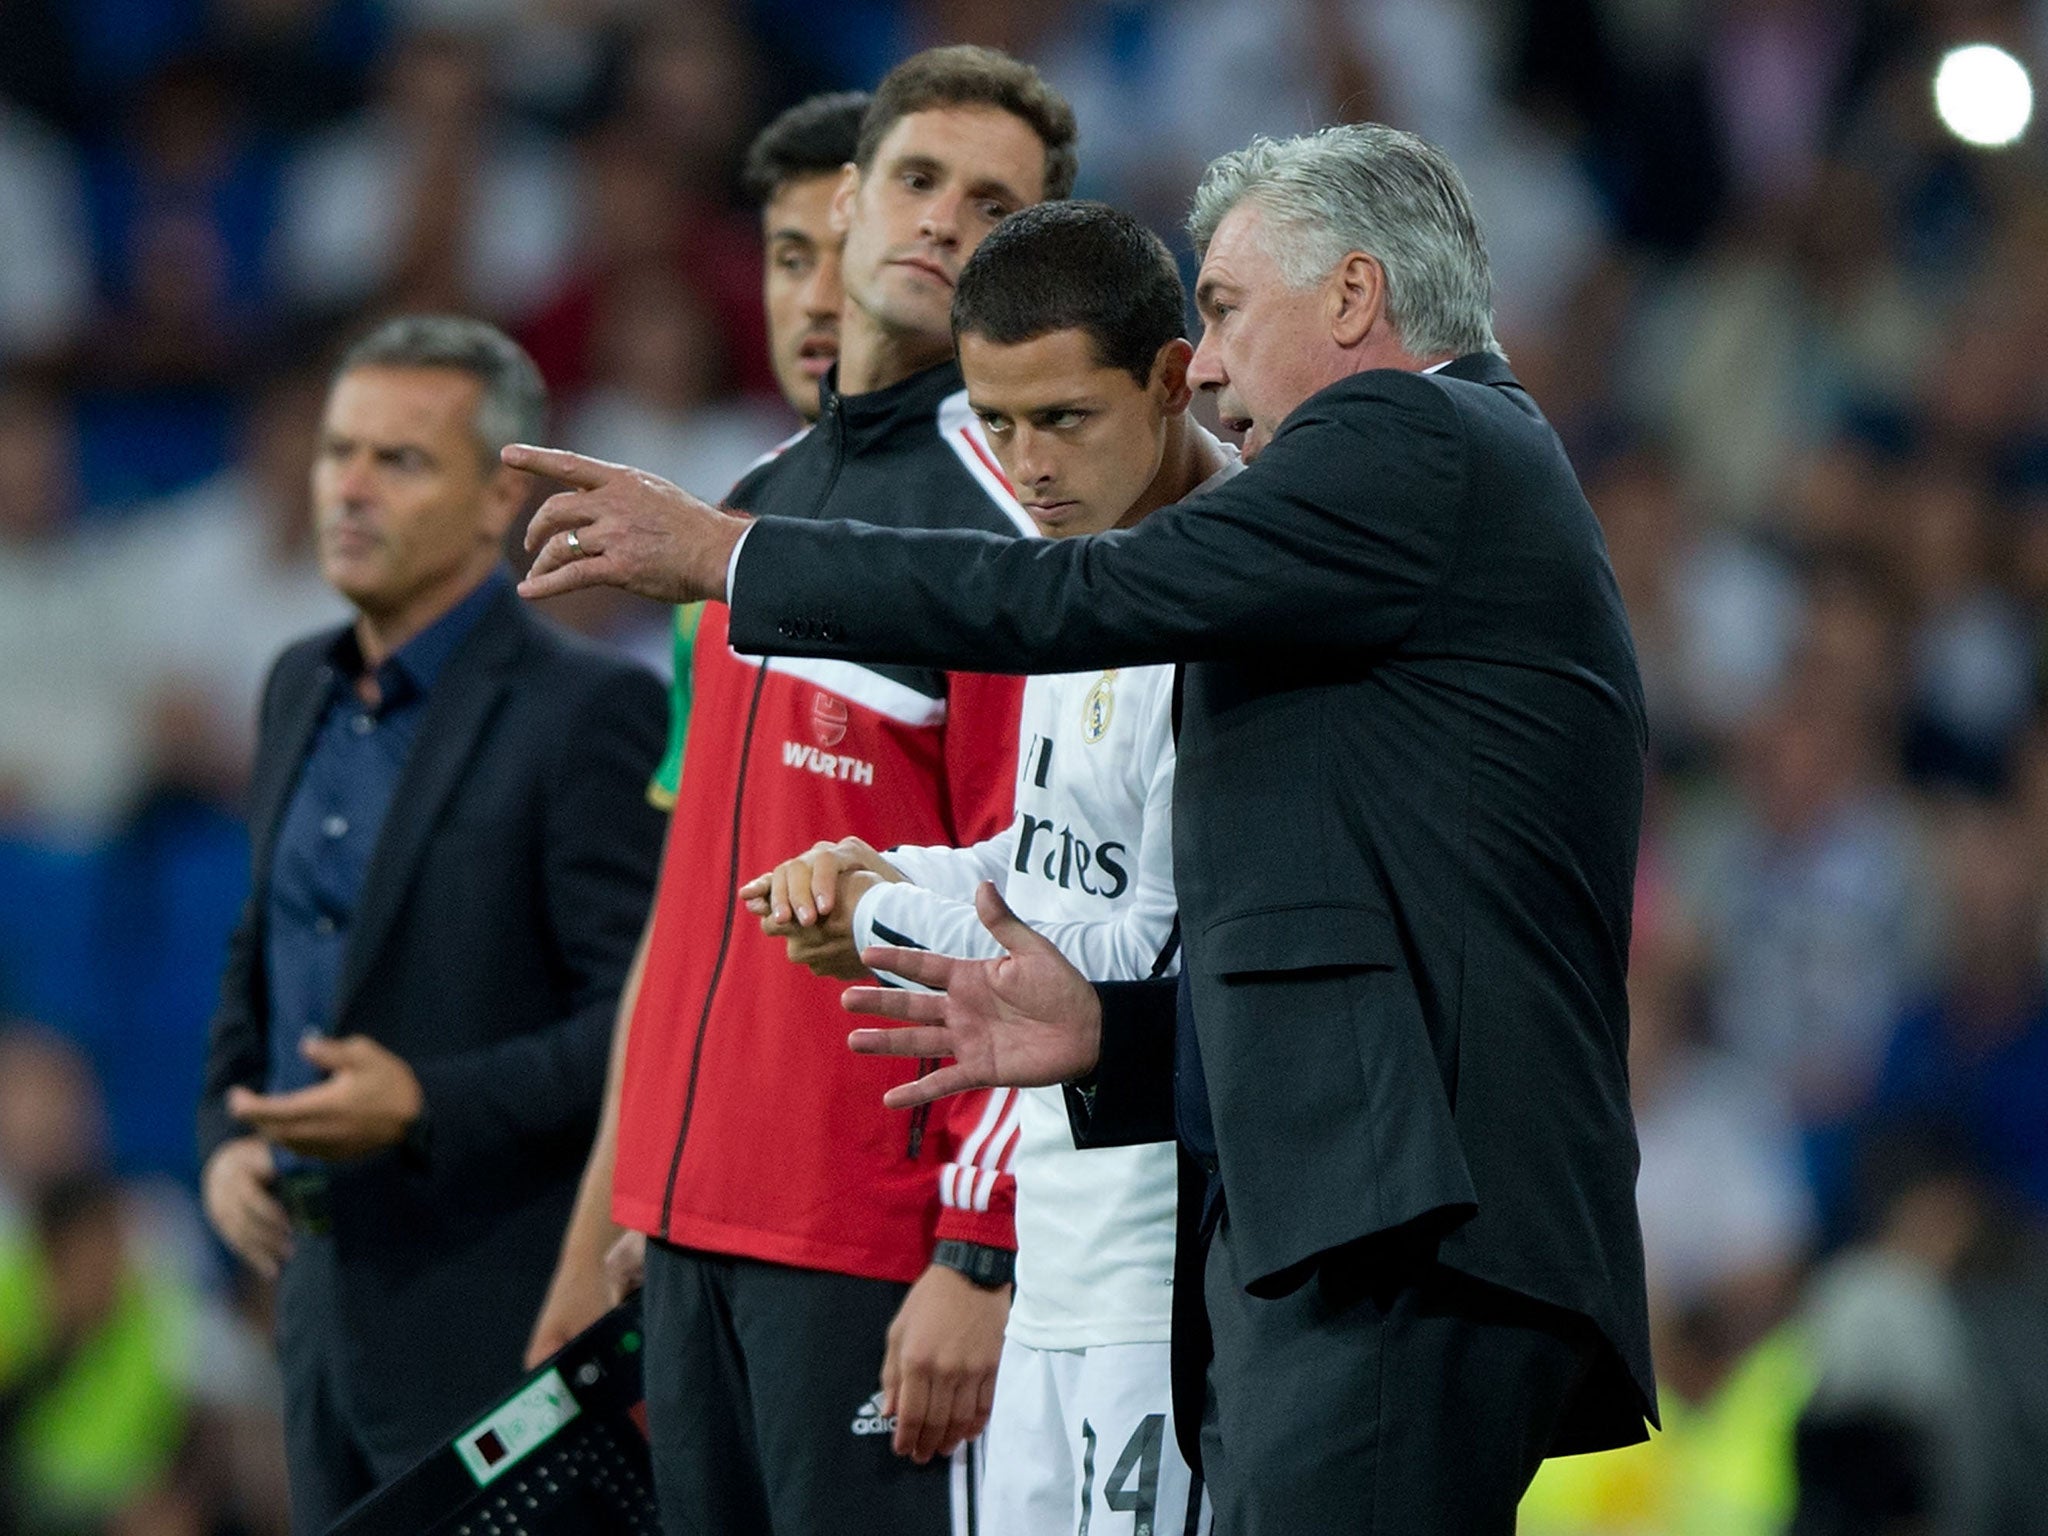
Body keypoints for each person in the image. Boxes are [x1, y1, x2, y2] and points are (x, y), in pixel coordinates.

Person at [511, 121, 1658, 1534]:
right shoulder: (1390, 539)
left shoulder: (1414, 435)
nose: (1215, 363)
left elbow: (1076, 598)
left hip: (1413, 1229)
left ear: (1355, 298)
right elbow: (1358, 929)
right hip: (1367, 1215)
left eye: (1227, 311)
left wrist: (732, 556)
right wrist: (1109, 1036)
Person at [528, 47, 1079, 1536]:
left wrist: (976, 1254)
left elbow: (1051, 906)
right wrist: (648, 1191)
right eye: (917, 180)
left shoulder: (1012, 534)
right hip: (692, 1227)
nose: (943, 221)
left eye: (993, 205)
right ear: (848, 199)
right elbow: (696, 893)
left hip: (871, 1248)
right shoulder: (750, 510)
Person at [743, 201, 1230, 1536]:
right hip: (1063, 1234)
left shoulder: (1232, 613)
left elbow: (1152, 954)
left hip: (1169, 1247)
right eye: (997, 422)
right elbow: (1042, 868)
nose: (1026, 463)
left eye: (1063, 419)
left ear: (1173, 378)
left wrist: (888, 915)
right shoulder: (1072, 578)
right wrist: (881, 865)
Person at [197, 315, 665, 1534]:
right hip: (315, 1307)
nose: (347, 486)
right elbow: (265, 949)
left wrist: (423, 1105)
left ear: (490, 501)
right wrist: (224, 1137)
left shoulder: (591, 711)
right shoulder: (294, 684)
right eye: (336, 451)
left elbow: (637, 1020)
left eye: (397, 461)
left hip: (499, 1304)